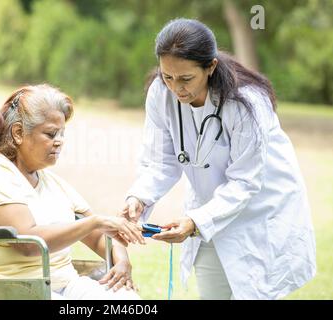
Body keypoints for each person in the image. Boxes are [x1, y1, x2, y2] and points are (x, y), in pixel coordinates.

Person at [119, 18, 316, 300]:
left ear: (210, 66)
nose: (176, 88)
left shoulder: (247, 102)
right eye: (168, 76)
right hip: (208, 211)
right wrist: (138, 197)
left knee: (255, 291)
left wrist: (195, 222)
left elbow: (245, 182)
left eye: (186, 78)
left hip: (261, 210)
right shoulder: (160, 94)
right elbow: (161, 161)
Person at [0, 84, 143, 300]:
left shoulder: (52, 182)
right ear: (19, 133)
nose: (59, 141)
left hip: (61, 284)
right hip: (5, 288)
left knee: (127, 301)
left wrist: (122, 261)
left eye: (61, 133)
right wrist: (95, 222)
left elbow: (101, 238)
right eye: (51, 133)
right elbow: (29, 243)